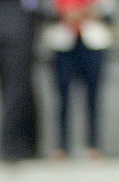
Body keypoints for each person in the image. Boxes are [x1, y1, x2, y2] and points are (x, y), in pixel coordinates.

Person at [43, 0, 112, 158]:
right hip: (63, 44)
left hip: (93, 42)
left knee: (93, 97)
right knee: (62, 97)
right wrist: (64, 13)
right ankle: (62, 146)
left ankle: (93, 144)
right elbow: (44, 10)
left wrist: (88, 11)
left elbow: (110, 11)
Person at [0, 0, 43, 161]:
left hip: (2, 28)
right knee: (15, 90)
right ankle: (11, 145)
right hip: (15, 29)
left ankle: (26, 143)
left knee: (16, 90)